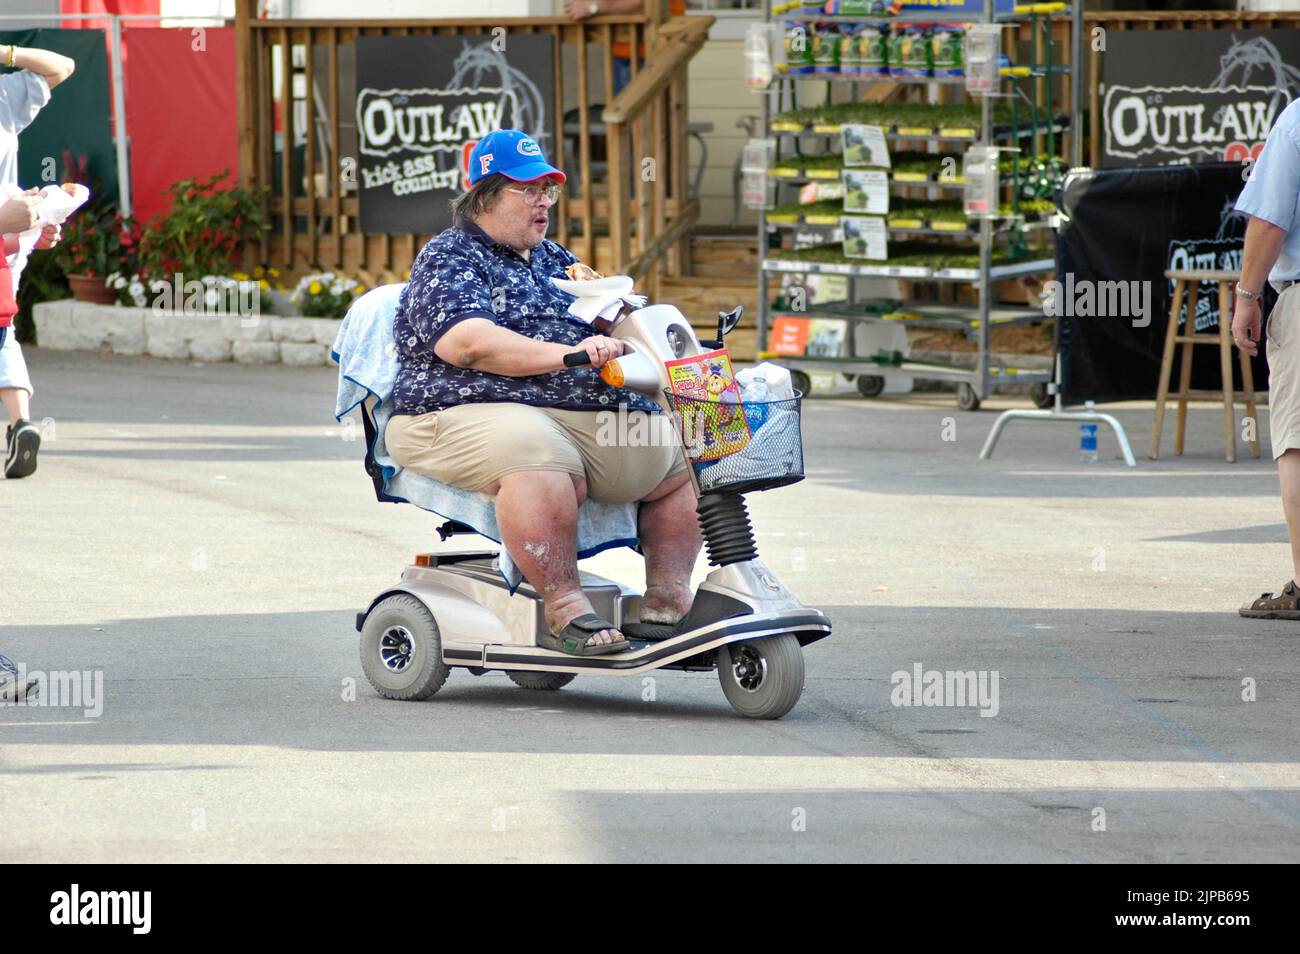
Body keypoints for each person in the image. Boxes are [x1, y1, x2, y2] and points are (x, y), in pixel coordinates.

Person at [385, 129, 701, 655]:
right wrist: (570, 354)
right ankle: (565, 608)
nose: (544, 202)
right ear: (485, 196)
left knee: (686, 448)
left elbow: (615, 313)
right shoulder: (450, 257)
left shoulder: (555, 259)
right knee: (537, 454)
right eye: (529, 190)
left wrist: (663, 344)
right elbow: (468, 345)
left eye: (549, 190)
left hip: (566, 410)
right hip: (454, 411)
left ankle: (666, 603)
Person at [0, 42, 76, 479]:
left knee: (2, 324)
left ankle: (20, 426)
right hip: (7, 224)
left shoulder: (5, 97)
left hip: (8, 225)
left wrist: (7, 53)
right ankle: (19, 422)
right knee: (2, 329)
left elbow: (63, 65)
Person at [563, 0, 687, 93]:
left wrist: (593, 6)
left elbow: (645, 3)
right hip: (627, 50)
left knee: (636, 119)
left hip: (647, 51)